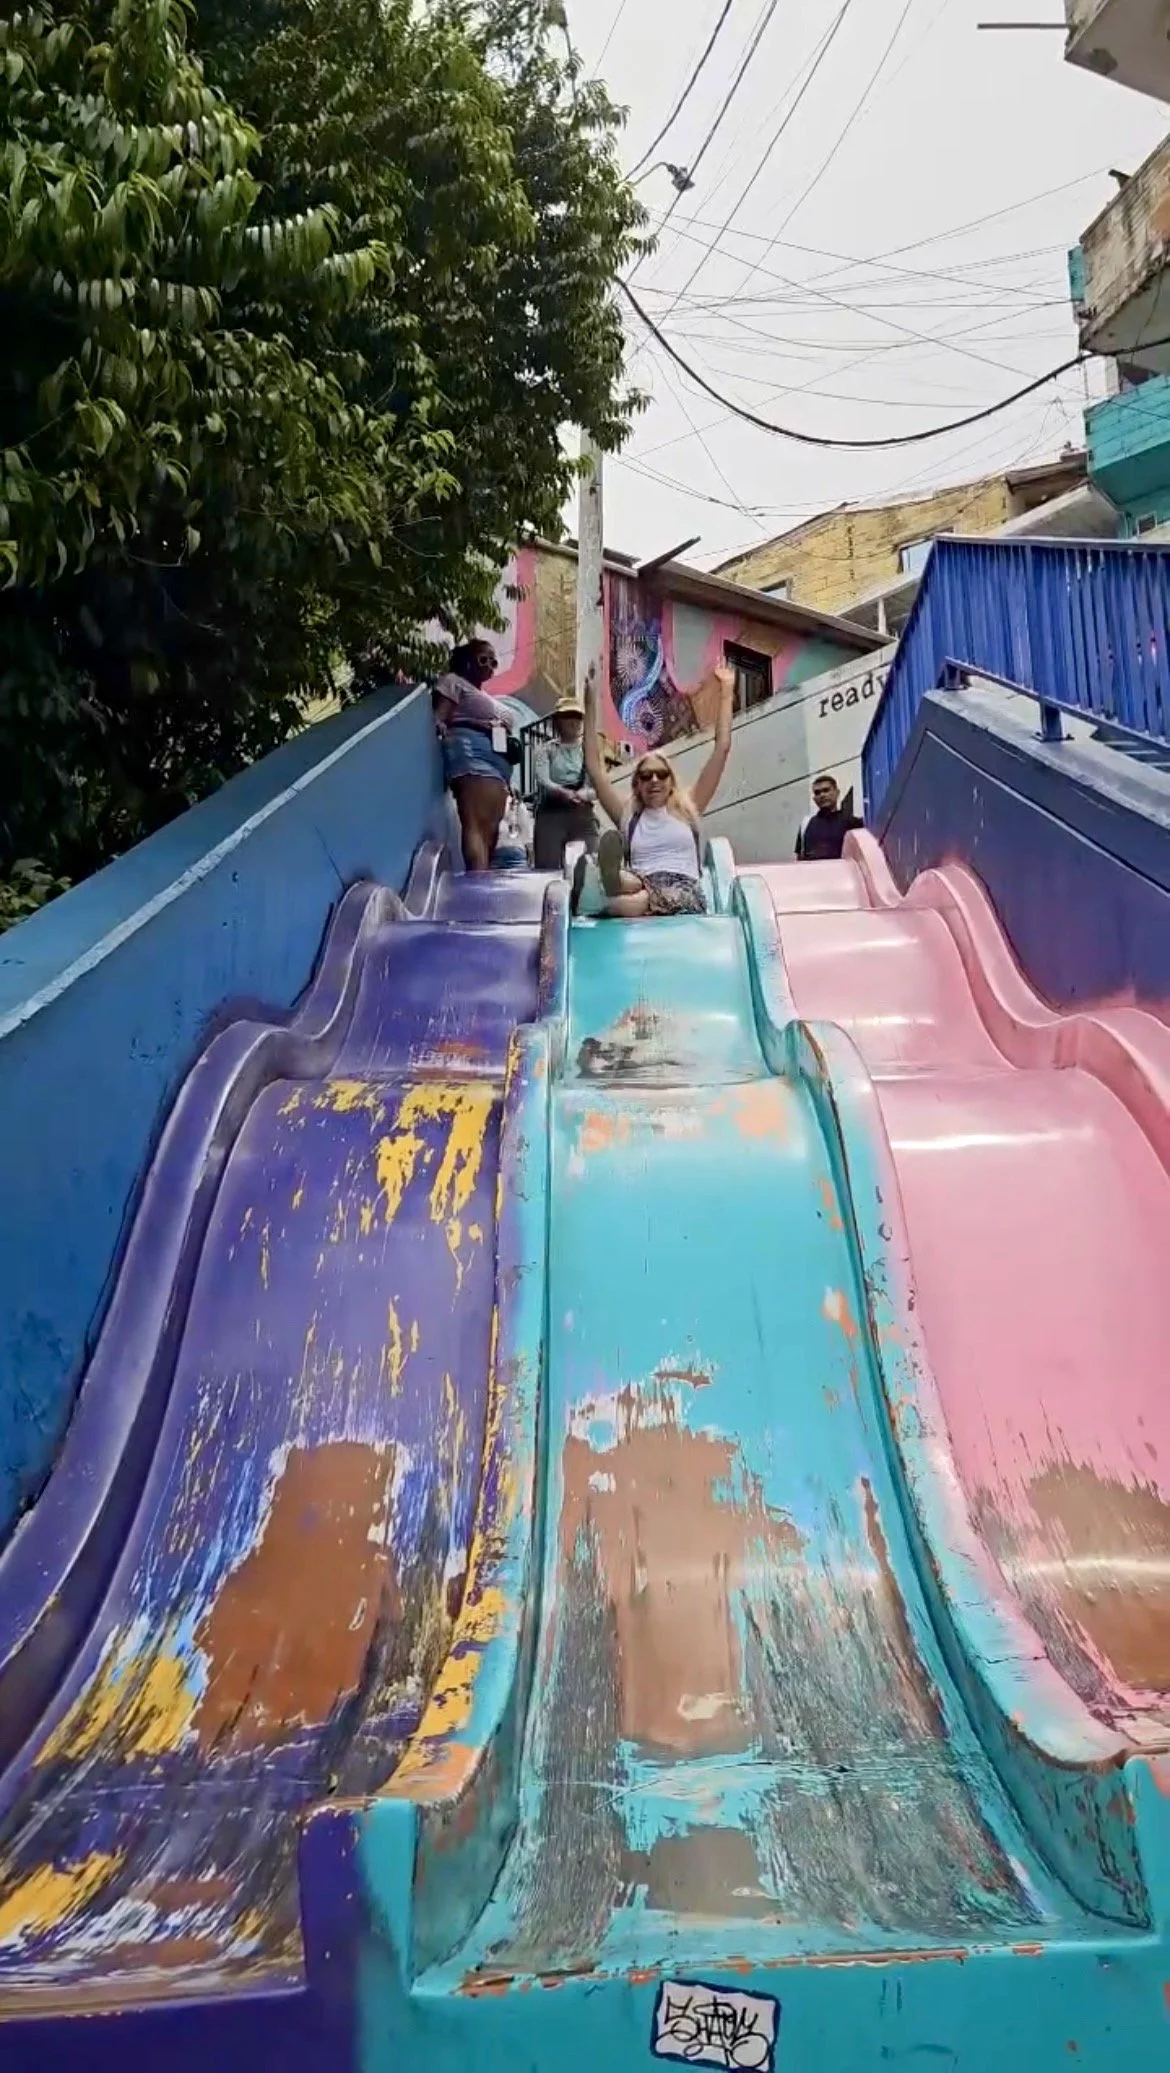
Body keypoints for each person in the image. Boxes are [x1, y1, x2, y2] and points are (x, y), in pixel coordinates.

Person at [573, 665, 735, 918]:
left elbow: (721, 748)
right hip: (641, 880)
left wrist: (727, 690)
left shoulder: (688, 808)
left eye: (661, 774)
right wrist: (590, 701)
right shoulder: (628, 816)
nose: (654, 780)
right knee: (632, 883)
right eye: (646, 776)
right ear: (637, 784)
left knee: (634, 901)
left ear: (671, 781)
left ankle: (601, 895)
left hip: (682, 888)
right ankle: (611, 878)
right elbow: (595, 769)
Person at [432, 639, 518, 872]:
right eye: (483, 659)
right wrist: (443, 725)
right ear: (467, 661)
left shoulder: (485, 695)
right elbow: (440, 717)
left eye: (493, 661)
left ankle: (482, 874)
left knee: (490, 828)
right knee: (475, 822)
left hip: (497, 764)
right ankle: (477, 878)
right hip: (471, 755)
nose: (489, 665)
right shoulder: (454, 682)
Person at [531, 696, 599, 871]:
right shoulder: (546, 749)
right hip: (552, 812)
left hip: (582, 812)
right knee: (547, 867)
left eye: (577, 716)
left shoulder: (587, 750)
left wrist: (584, 794)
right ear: (557, 721)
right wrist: (563, 792)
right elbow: (543, 779)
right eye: (568, 716)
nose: (574, 721)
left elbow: (596, 781)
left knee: (590, 865)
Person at [795, 774, 863, 862]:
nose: (822, 795)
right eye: (817, 793)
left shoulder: (853, 823)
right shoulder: (806, 824)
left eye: (826, 790)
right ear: (814, 798)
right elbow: (799, 858)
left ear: (837, 792)